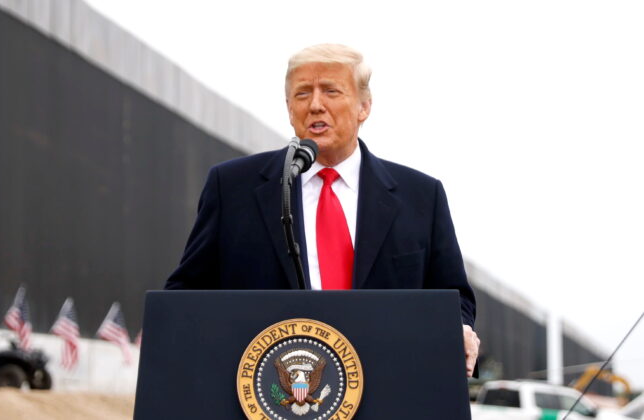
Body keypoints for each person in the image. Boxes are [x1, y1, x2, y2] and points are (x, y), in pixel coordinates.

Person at [165, 44, 480, 377]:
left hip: (387, 389)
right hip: (271, 393)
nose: (315, 105)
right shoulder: (231, 188)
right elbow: (185, 295)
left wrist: (457, 328)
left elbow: (454, 297)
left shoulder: (420, 197)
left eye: (331, 91)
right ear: (289, 108)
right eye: (302, 94)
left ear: (364, 107)